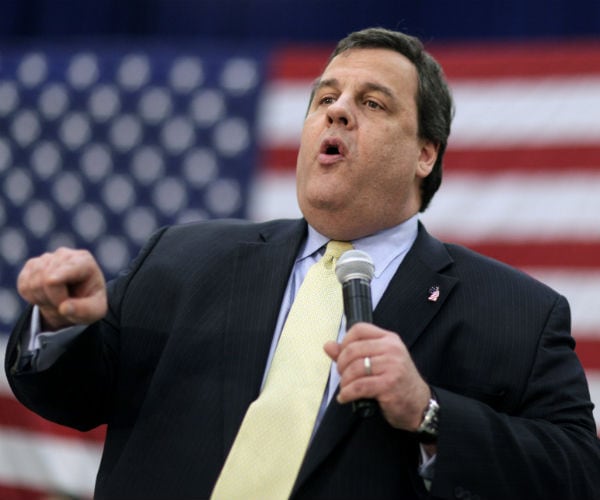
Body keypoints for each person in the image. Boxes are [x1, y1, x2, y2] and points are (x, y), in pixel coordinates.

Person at [5, 27, 600, 500]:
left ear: (425, 153)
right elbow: (73, 398)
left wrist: (429, 412)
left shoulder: (518, 313)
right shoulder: (181, 260)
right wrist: (64, 324)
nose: (337, 112)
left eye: (371, 103)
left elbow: (578, 473)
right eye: (326, 97)